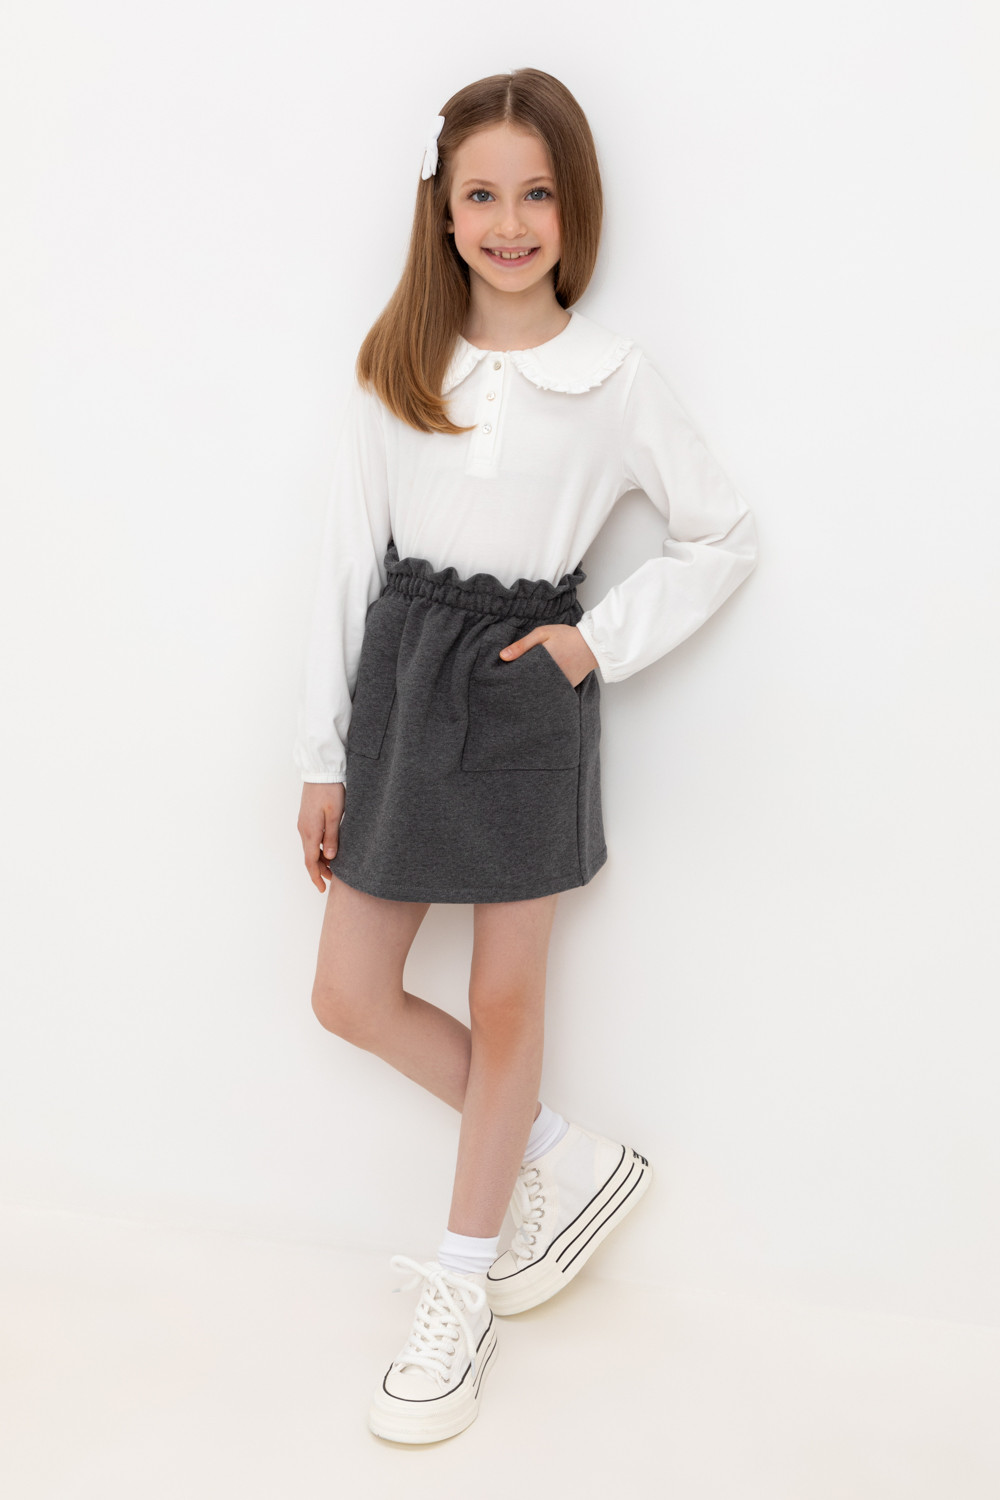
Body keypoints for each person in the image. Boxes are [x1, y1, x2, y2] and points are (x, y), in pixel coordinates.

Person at [293, 68, 758, 1445]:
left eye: (536, 194)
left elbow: (723, 534)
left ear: (572, 208)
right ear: (441, 212)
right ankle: (560, 1150)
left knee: (505, 1003)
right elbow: (343, 568)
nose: (509, 223)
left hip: (521, 693)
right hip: (401, 679)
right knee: (348, 992)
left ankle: (461, 1286)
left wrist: (593, 643)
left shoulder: (613, 378)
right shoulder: (397, 366)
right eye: (482, 195)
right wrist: (322, 755)